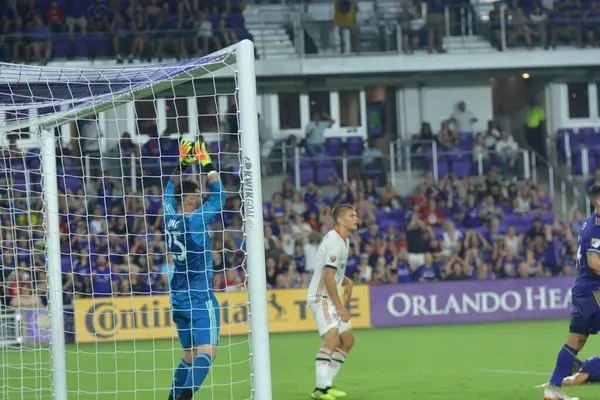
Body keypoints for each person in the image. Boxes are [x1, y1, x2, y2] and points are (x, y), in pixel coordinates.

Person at [164, 139, 227, 400]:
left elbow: (169, 188)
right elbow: (220, 195)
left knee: (188, 356)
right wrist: (205, 161)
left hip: (177, 298)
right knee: (207, 352)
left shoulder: (169, 213)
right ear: (190, 200)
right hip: (199, 296)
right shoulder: (196, 220)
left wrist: (183, 162)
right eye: (198, 198)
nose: (202, 201)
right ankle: (186, 396)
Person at [541, 184, 600, 400]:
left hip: (583, 292)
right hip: (595, 291)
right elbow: (595, 263)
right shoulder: (596, 227)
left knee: (574, 343)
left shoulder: (588, 224)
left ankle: (553, 389)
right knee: (574, 342)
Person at [307, 204, 359, 400]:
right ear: (340, 220)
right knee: (331, 337)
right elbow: (328, 277)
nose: (356, 218)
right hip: (321, 297)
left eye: (356, 215)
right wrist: (340, 306)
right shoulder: (335, 242)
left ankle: (326, 384)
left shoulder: (343, 241)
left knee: (348, 340)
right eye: (352, 215)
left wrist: (347, 281)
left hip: (331, 295)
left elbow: (332, 272)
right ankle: (319, 390)